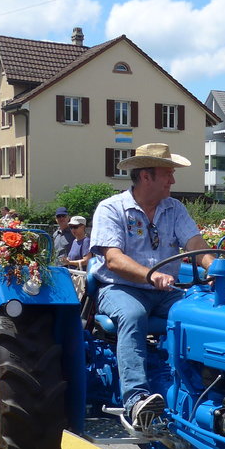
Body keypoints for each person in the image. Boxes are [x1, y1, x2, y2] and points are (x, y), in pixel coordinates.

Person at [90, 142, 214, 432]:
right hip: (120, 288)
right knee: (133, 316)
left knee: (203, 313)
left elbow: (194, 243)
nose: (173, 180)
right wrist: (150, 276)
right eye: (167, 173)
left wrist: (214, 265)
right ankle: (136, 401)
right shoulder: (112, 209)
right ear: (146, 176)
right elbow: (113, 259)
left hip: (164, 292)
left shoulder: (174, 208)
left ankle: (199, 387)